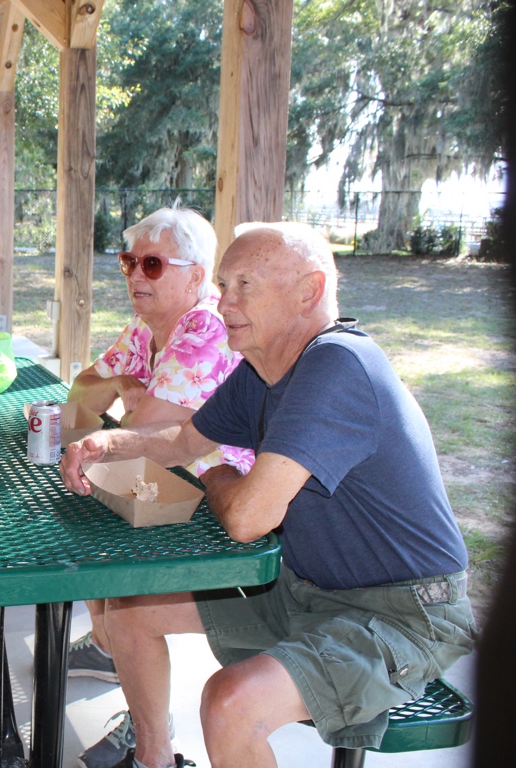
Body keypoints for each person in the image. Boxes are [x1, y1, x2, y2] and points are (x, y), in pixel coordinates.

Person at [60, 222, 476, 768]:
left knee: (231, 702)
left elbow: (246, 518)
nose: (224, 301)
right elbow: (184, 440)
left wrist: (215, 475)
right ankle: (152, 759)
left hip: (405, 613)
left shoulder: (337, 366)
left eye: (244, 285)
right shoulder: (263, 367)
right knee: (130, 610)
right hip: (305, 588)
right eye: (223, 284)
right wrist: (107, 443)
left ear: (309, 291)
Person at [62, 207, 254, 768]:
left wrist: (125, 407)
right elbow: (82, 393)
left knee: (111, 555)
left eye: (152, 264)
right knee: (86, 495)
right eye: (129, 262)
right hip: (173, 480)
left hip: (219, 498)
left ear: (196, 276)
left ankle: (149, 736)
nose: (135, 276)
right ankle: (106, 648)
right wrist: (127, 388)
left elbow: (139, 434)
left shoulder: (204, 327)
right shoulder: (148, 323)